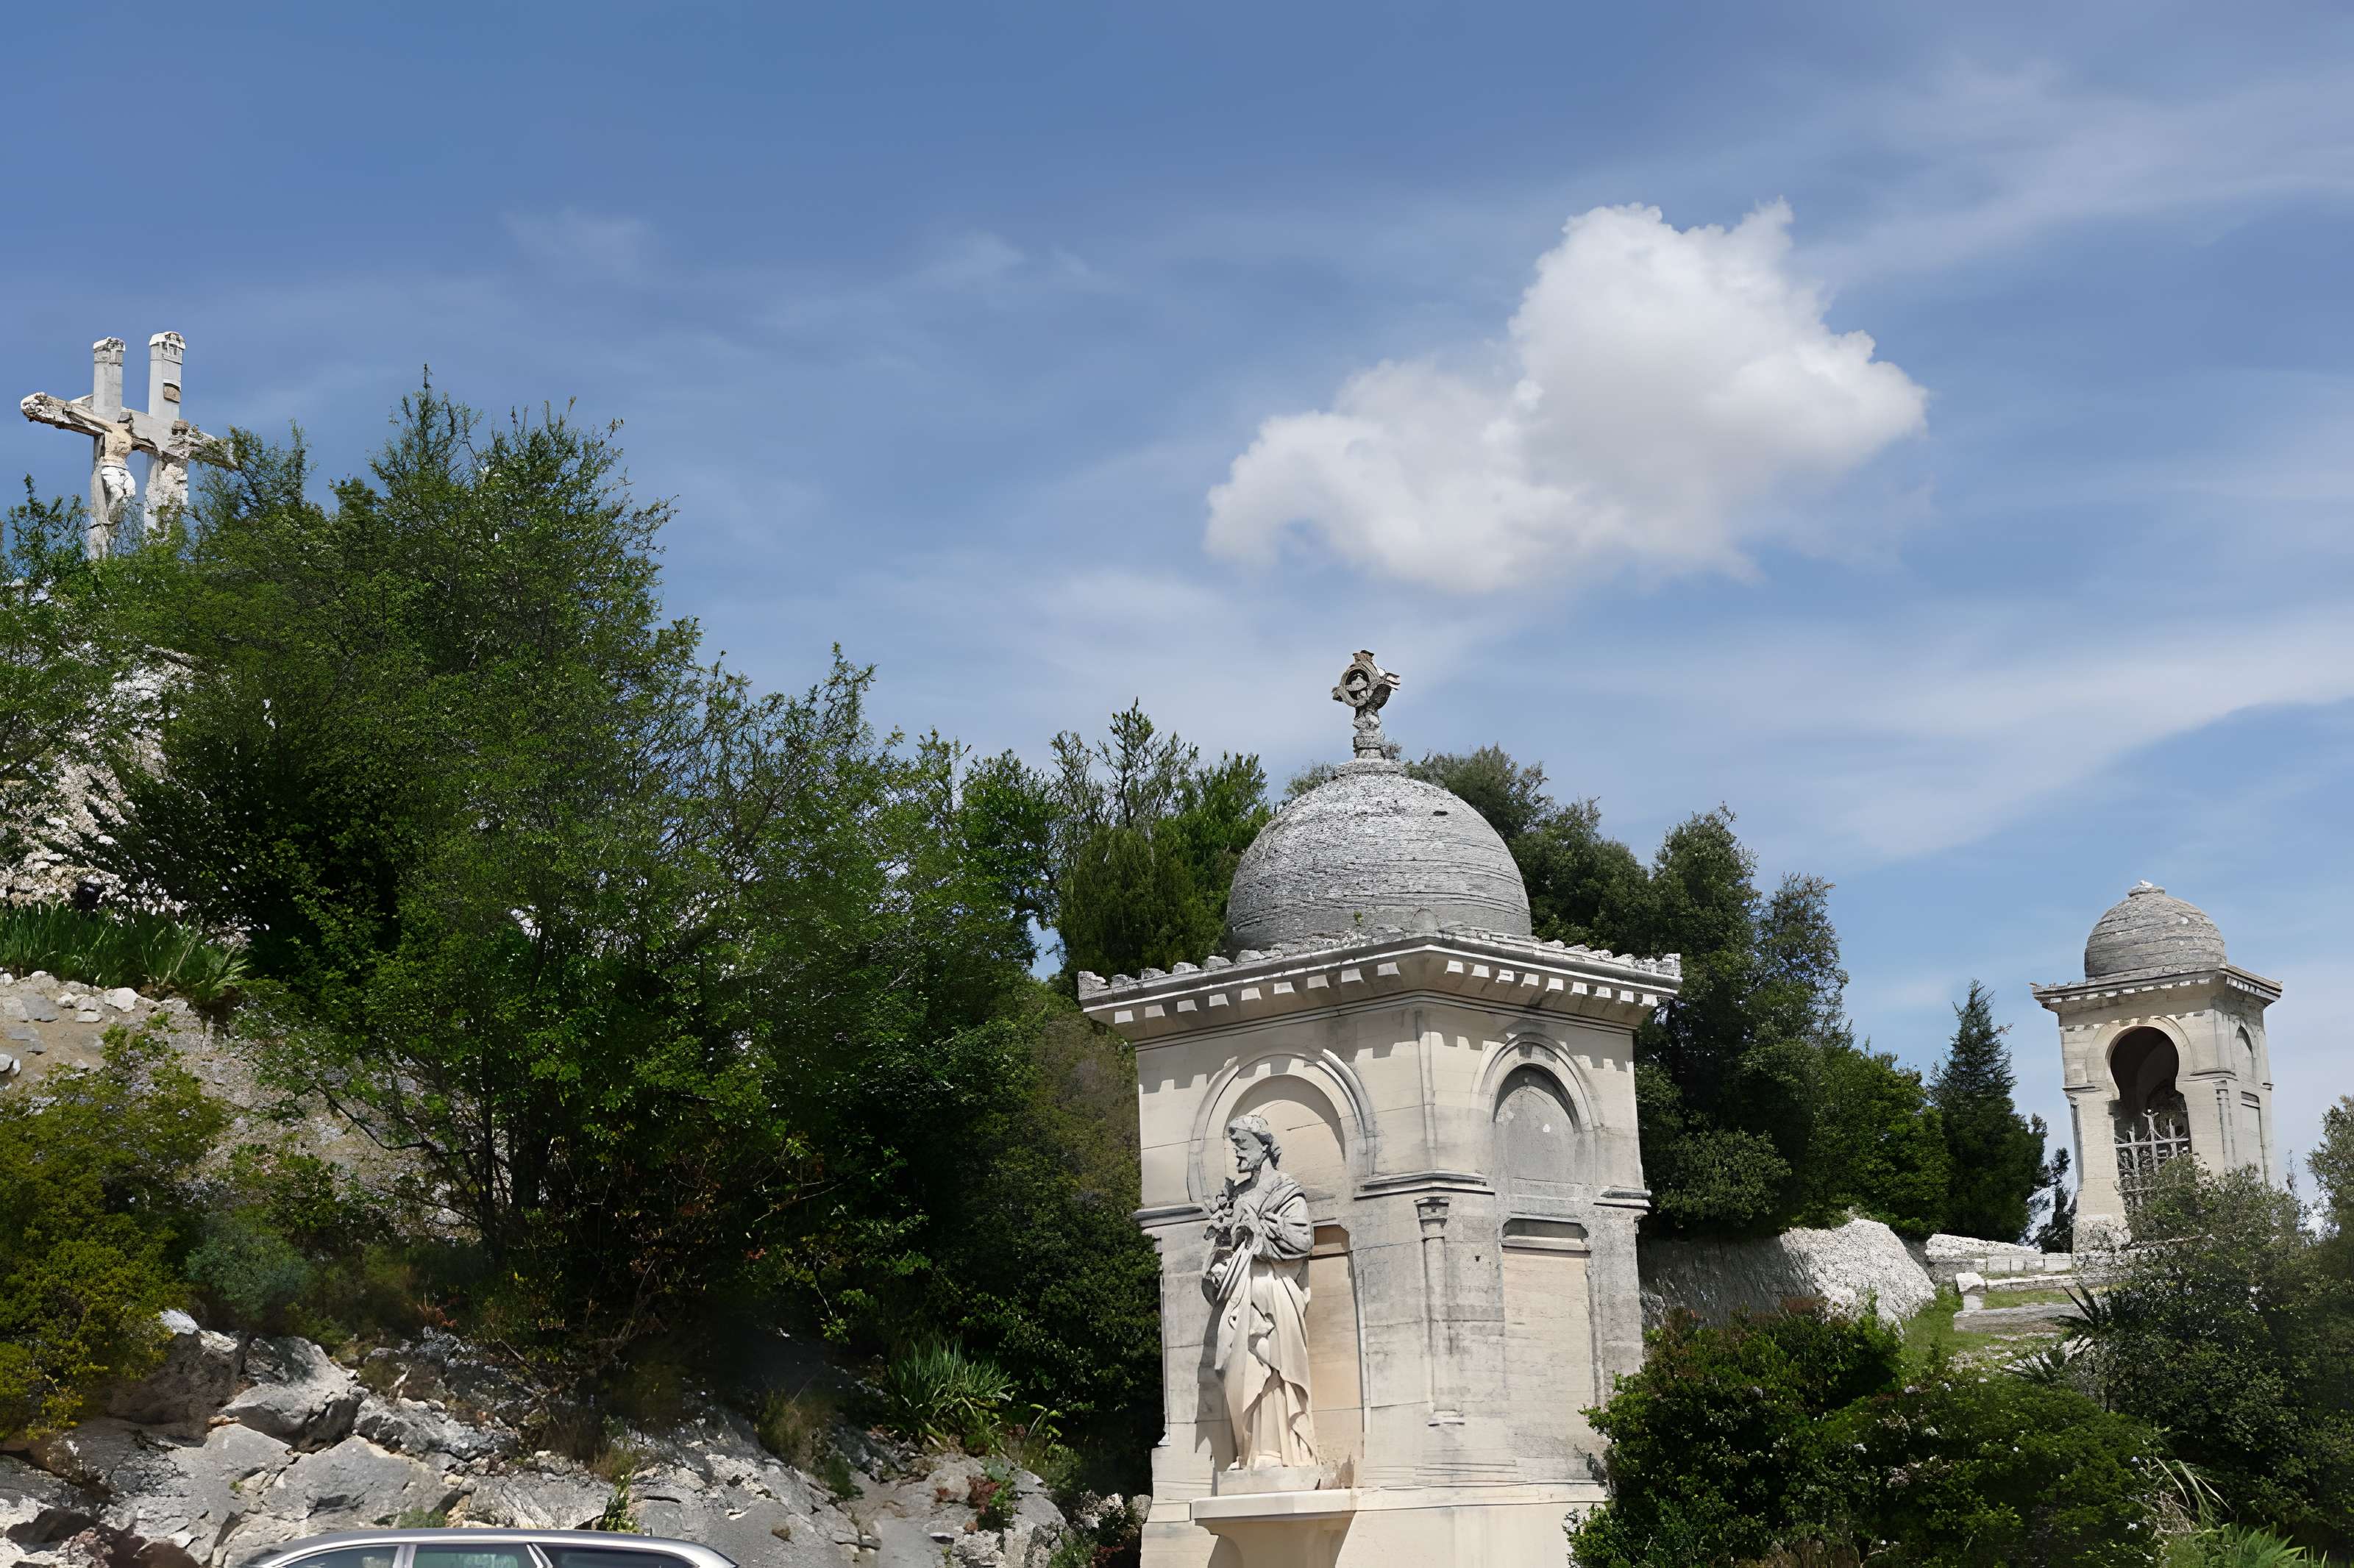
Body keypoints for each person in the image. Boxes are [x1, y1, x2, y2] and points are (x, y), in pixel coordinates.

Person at [1203, 1113, 1317, 1468]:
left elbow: (1302, 1239)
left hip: (1273, 1292)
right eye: (1233, 1144)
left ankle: (1279, 1451)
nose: (1235, 1153)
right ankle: (1249, 1450)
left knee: (1271, 1365)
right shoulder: (1234, 1196)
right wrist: (1220, 1265)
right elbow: (1225, 1248)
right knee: (1231, 1367)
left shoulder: (1285, 1190)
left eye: (1242, 1144)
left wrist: (1257, 1233)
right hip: (1238, 1293)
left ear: (1264, 1146)